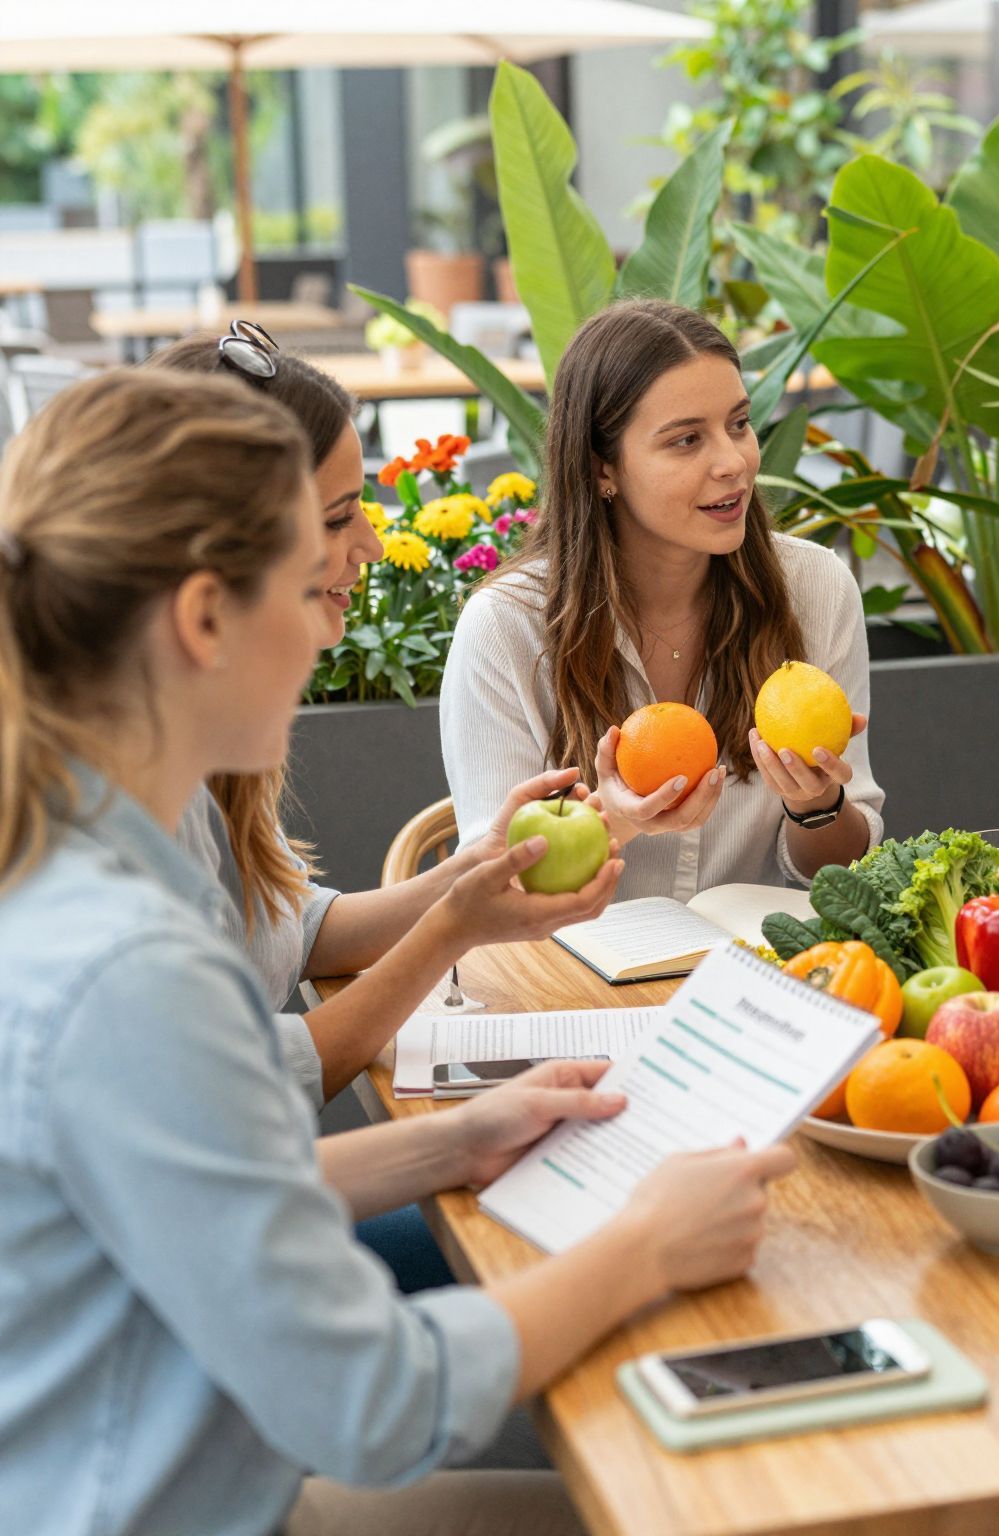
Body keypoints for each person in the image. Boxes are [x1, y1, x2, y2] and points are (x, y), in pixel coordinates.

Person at [0, 368, 797, 1535]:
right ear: (203, 618)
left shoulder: (74, 868)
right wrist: (645, 1248)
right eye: (307, 567)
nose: (343, 592)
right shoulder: (132, 967)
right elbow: (373, 1402)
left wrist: (463, 1137)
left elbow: (200, 1204)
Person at [150, 324, 618, 1294]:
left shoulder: (199, 761)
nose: (366, 547)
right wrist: (453, 924)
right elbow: (257, 1103)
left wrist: (480, 870)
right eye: (338, 516)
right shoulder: (134, 833)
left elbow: (299, 929)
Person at [442, 299, 883, 898]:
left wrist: (817, 804)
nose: (733, 463)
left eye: (739, 424)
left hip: (751, 975)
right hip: (572, 983)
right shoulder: (506, 627)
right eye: (685, 441)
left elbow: (836, 878)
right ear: (604, 469)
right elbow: (494, 895)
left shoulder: (816, 589)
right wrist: (616, 825)